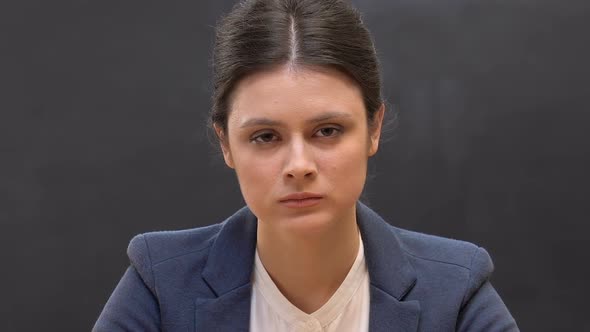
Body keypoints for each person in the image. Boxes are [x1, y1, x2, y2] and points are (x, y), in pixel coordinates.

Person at [93, 0, 518, 331]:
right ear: (226, 144)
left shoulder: (456, 288)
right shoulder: (161, 284)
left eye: (328, 131)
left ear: (374, 128)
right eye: (265, 137)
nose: (299, 165)